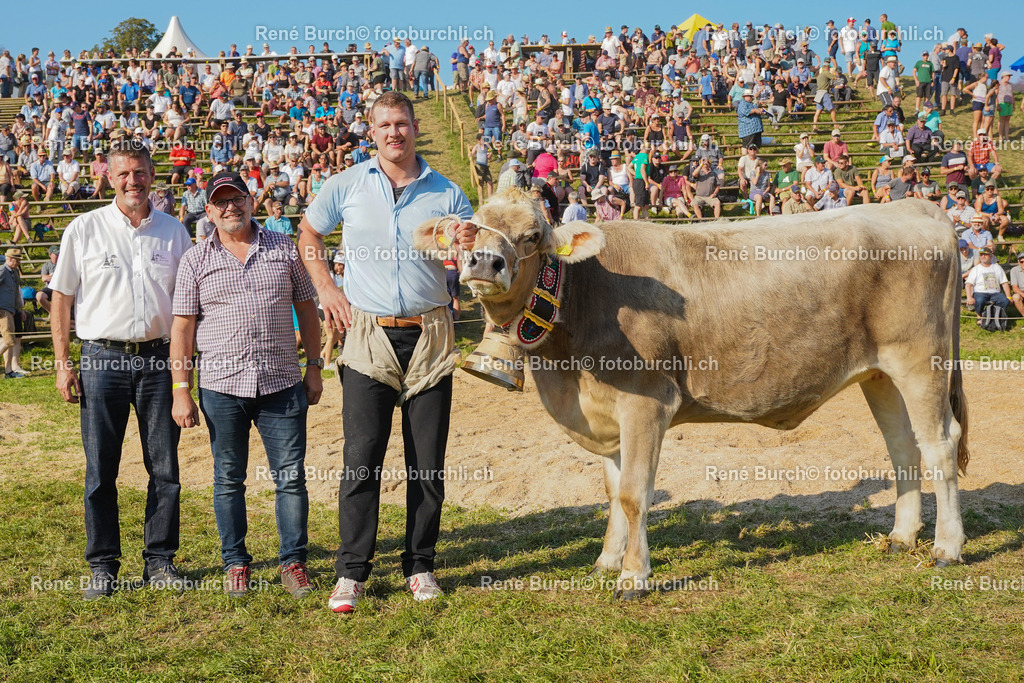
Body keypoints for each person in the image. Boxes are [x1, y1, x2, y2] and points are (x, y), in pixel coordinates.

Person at [296, 91, 477, 614]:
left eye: (402, 123)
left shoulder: (447, 192)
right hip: (368, 334)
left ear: (416, 127)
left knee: (428, 462)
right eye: (384, 125)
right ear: (370, 131)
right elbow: (308, 232)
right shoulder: (347, 185)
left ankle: (420, 565)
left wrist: (467, 242)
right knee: (362, 458)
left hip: (431, 333)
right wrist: (326, 289)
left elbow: (467, 256)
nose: (394, 132)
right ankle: (352, 571)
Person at [49, 139, 192, 599]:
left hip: (159, 360)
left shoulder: (174, 232)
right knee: (100, 471)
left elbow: (188, 306)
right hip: (100, 359)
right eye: (124, 173)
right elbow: (62, 300)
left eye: (141, 172)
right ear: (109, 177)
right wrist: (62, 363)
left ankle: (160, 561)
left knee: (165, 467)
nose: (134, 181)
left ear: (152, 174)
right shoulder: (84, 229)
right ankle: (103, 566)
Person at [169, 171, 322, 598]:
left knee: (290, 478)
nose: (230, 206)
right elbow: (182, 328)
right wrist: (181, 388)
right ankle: (236, 562)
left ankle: (293, 563)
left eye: (237, 197)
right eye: (221, 201)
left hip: (282, 382)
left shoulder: (283, 248)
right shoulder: (196, 260)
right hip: (221, 385)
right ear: (210, 210)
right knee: (228, 479)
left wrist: (314, 365)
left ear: (251, 201)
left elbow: (306, 309)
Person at [965, 248, 1012, 326]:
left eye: (985, 254)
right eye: (981, 255)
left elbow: (1004, 283)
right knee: (979, 301)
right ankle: (979, 316)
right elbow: (968, 284)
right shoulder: (975, 269)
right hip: (980, 292)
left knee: (1005, 301)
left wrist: (1009, 296)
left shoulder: (997, 267)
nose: (983, 256)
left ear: (991, 256)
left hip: (995, 293)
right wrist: (969, 297)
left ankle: (995, 315)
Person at [1, 248, 28, 378]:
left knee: (9, 341)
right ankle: (8, 371)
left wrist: (19, 309)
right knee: (8, 341)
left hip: (12, 310)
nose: (18, 263)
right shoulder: (2, 271)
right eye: (17, 260)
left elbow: (16, 293)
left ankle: (8, 372)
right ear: (10, 259)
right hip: (3, 310)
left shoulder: (14, 272)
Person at [35, 245, 59, 313]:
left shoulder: (64, 263)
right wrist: (57, 277)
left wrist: (50, 277)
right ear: (50, 255)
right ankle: (53, 313)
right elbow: (44, 278)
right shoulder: (46, 265)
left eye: (59, 254)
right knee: (39, 295)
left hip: (62, 288)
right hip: (50, 288)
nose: (58, 256)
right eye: (56, 254)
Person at [1009, 253, 1024, 322]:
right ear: (1018, 262)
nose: (1023, 263)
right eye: (1022, 262)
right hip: (1021, 292)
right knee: (1015, 297)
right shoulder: (1014, 270)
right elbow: (1014, 288)